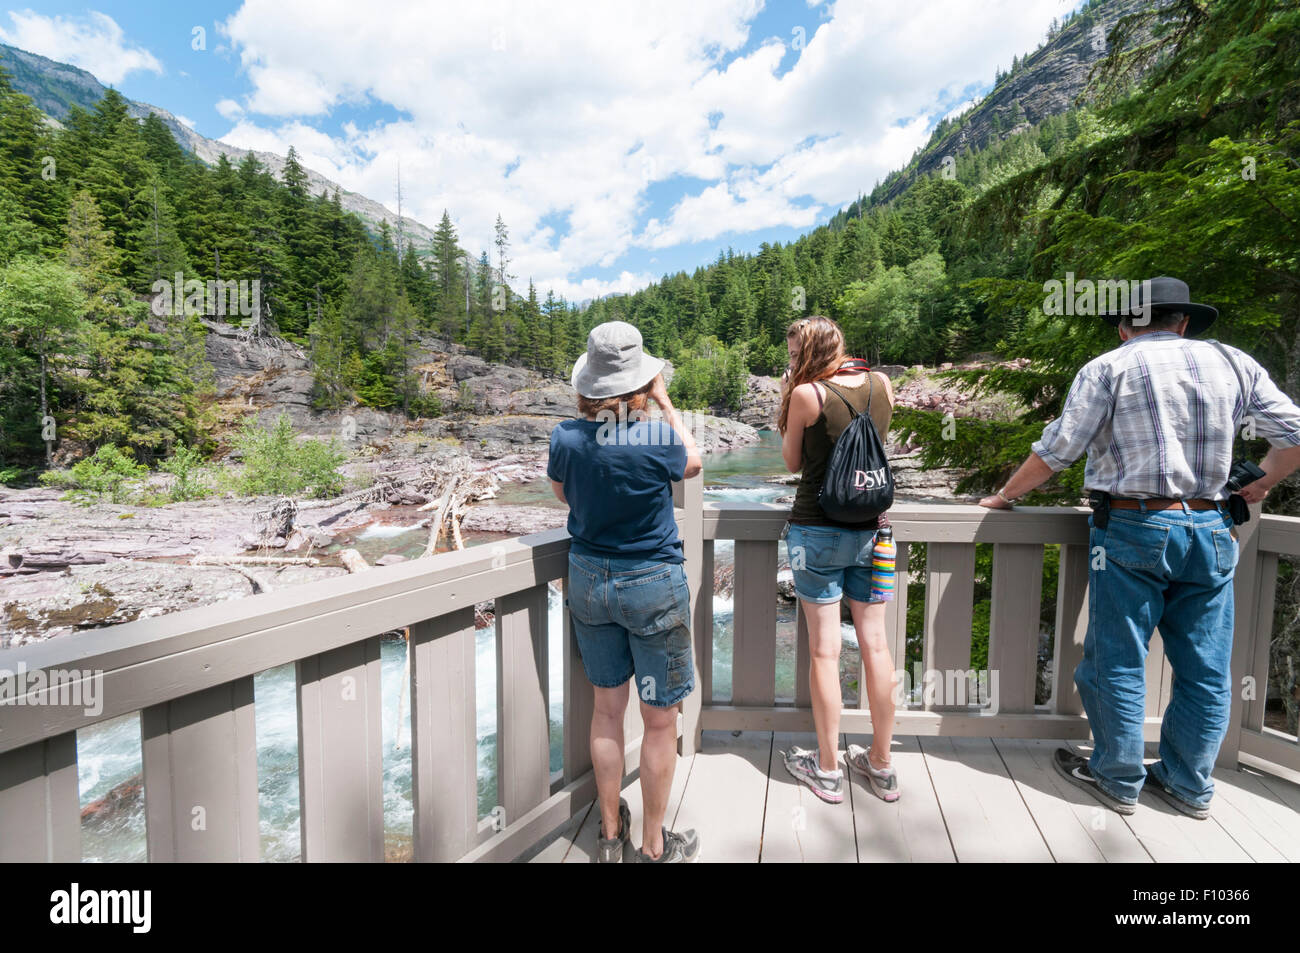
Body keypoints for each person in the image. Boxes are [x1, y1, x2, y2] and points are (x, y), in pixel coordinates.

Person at [980, 276, 1300, 819]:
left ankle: (1116, 775)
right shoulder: (1232, 362)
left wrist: (1005, 495)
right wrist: (1262, 482)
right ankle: (1187, 784)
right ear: (1182, 322)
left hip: (1134, 527)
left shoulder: (1110, 367)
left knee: (1118, 661)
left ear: (1126, 326)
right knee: (1204, 669)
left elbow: (1058, 450)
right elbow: (1294, 434)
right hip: (1212, 528)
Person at [548, 320, 704, 862]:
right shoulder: (657, 436)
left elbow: (563, 493)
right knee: (660, 719)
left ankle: (610, 834)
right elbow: (694, 461)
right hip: (653, 585)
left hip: (589, 581)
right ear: (640, 384)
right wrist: (665, 403)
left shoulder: (565, 437)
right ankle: (654, 847)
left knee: (606, 712)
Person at [777, 315, 900, 803]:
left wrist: (787, 395)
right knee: (876, 646)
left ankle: (827, 770)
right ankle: (882, 765)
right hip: (874, 531)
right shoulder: (882, 383)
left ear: (807, 352)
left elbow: (791, 463)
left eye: (792, 354)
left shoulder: (809, 394)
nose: (789, 363)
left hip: (817, 532)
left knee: (826, 652)